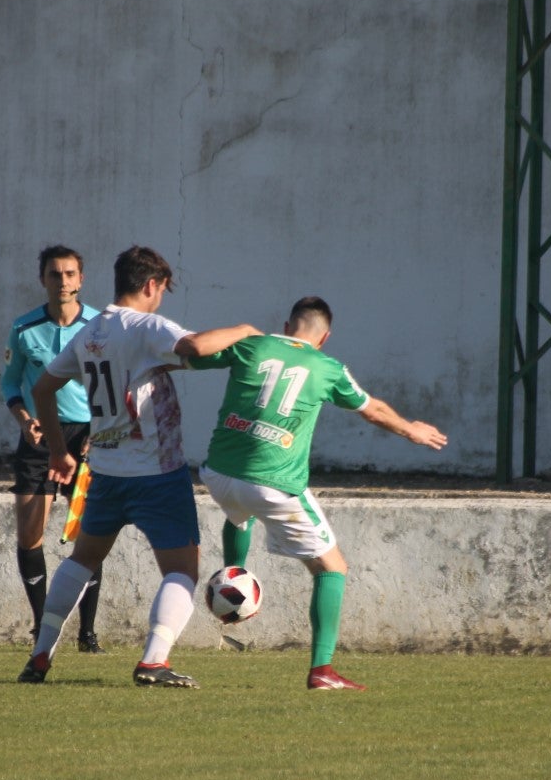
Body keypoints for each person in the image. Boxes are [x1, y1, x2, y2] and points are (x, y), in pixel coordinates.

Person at [18, 245, 261, 688]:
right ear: (150, 285)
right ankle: (153, 661)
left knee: (81, 561)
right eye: (162, 290)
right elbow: (194, 346)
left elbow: (43, 389)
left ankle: (39, 655)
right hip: (156, 474)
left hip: (107, 473)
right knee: (181, 571)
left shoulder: (92, 331)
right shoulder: (146, 326)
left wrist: (58, 451)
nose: (161, 299)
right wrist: (244, 330)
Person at [190, 296, 448, 691]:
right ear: (324, 337)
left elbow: (192, 353)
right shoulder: (328, 367)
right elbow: (372, 409)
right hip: (273, 485)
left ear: (286, 324)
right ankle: (322, 672)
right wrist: (410, 428)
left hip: (217, 475)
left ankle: (233, 577)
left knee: (241, 510)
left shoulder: (252, 345)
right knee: (333, 568)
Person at [1, 244, 105, 653]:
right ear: (42, 278)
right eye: (54, 274)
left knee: (91, 536)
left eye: (69, 274)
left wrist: (103, 429)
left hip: (89, 438)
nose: (62, 281)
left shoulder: (101, 326)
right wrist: (24, 419)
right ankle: (43, 628)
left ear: (81, 279)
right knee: (30, 534)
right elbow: (10, 382)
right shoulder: (25, 328)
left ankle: (88, 633)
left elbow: (117, 382)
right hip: (40, 436)